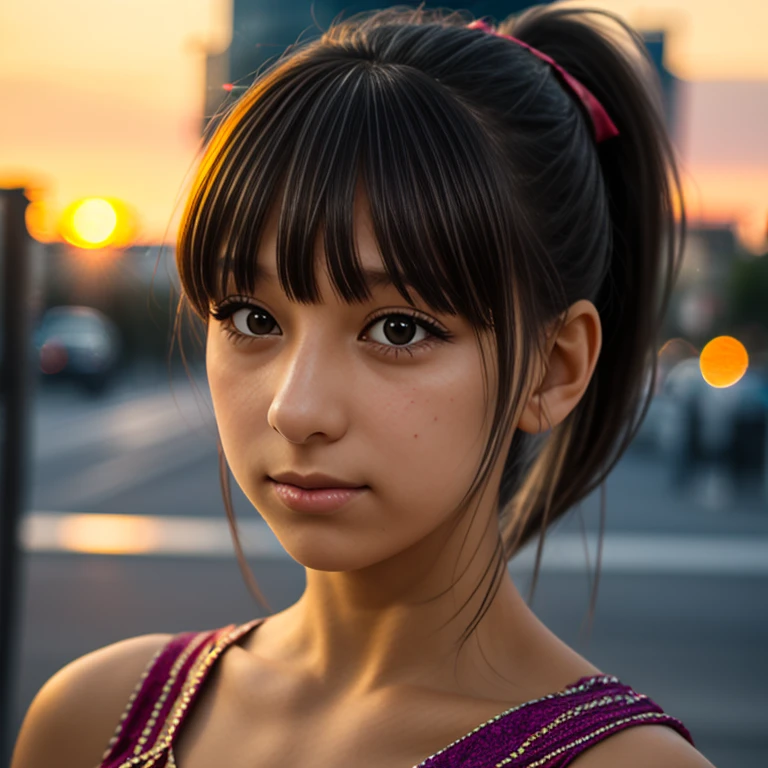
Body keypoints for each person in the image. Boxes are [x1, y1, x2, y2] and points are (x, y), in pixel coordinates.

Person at [12, 4, 717, 767]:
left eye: (398, 330)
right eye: (251, 317)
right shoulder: (93, 719)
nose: (296, 408)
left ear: (555, 367)